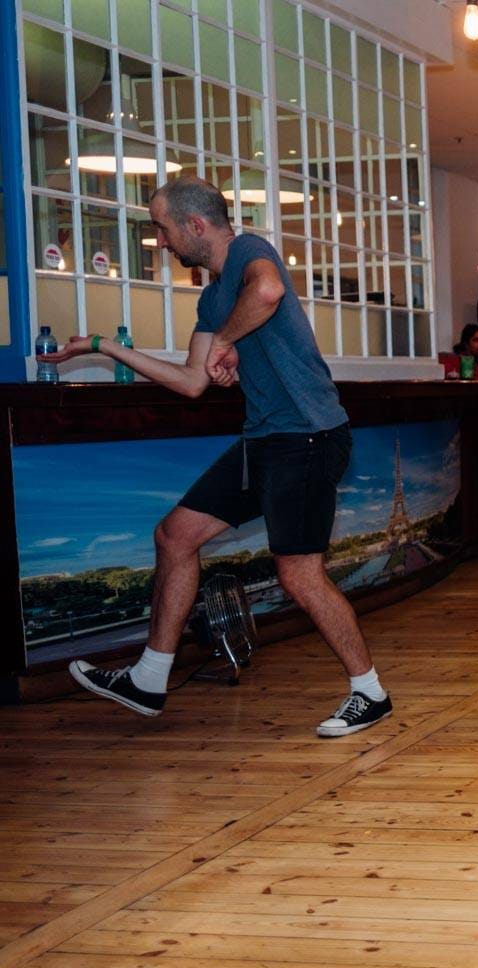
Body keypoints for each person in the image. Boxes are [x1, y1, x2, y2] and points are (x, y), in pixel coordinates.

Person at [39, 176, 390, 737]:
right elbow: (191, 381)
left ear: (196, 226)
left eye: (163, 228)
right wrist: (105, 347)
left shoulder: (252, 252)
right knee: (174, 536)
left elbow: (269, 292)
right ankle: (150, 678)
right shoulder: (210, 296)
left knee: (299, 575)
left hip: (309, 437)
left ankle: (369, 693)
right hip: (265, 441)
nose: (162, 241)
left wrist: (225, 341)